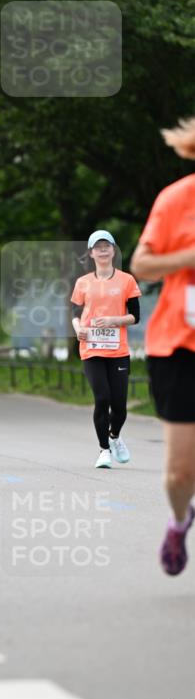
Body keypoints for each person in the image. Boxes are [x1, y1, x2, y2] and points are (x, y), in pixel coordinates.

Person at [130, 116, 195, 576]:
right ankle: (179, 519)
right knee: (178, 475)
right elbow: (143, 264)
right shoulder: (177, 199)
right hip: (180, 347)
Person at [71, 231, 141, 468]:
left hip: (118, 350)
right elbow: (75, 313)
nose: (102, 250)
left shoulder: (127, 280)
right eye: (97, 247)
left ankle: (115, 437)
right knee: (102, 398)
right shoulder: (83, 283)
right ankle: (103, 451)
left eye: (106, 246)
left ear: (113, 250)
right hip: (91, 348)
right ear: (91, 253)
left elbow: (136, 316)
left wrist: (114, 320)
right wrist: (77, 328)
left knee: (119, 406)